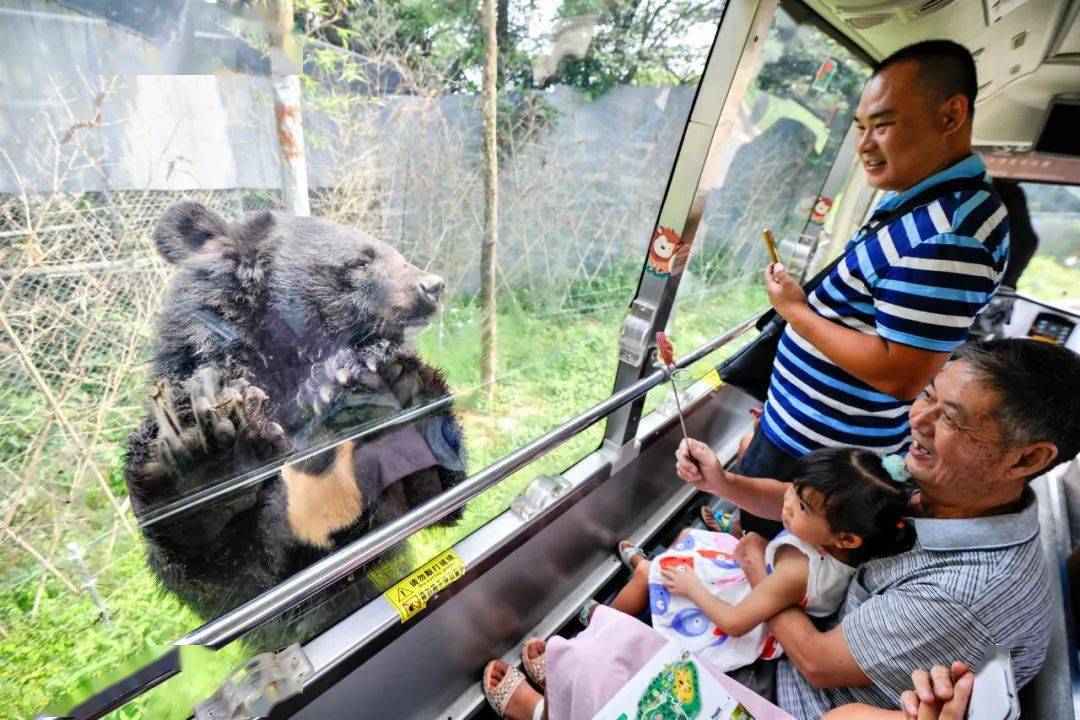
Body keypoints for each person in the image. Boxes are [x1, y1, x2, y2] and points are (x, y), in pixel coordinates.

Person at [677, 338, 1080, 719]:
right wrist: (721, 484)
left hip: (778, 696)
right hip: (775, 640)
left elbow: (818, 663)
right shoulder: (937, 481)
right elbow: (819, 507)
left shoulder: (969, 593)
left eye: (952, 420)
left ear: (1027, 460)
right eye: (927, 395)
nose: (918, 420)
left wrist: (757, 567)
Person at [728, 39, 1010, 537]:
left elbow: (900, 373)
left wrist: (796, 311)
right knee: (752, 533)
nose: (864, 143)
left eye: (882, 125)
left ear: (951, 115)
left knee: (766, 554)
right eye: (861, 128)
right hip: (803, 431)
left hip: (821, 457)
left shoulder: (951, 234)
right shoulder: (921, 204)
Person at [588, 448, 910, 673]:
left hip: (739, 609)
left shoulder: (799, 570)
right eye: (793, 490)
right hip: (755, 581)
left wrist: (692, 587)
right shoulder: (839, 551)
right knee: (690, 535)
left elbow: (735, 622)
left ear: (846, 538)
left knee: (657, 572)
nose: (786, 501)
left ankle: (598, 629)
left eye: (802, 507)